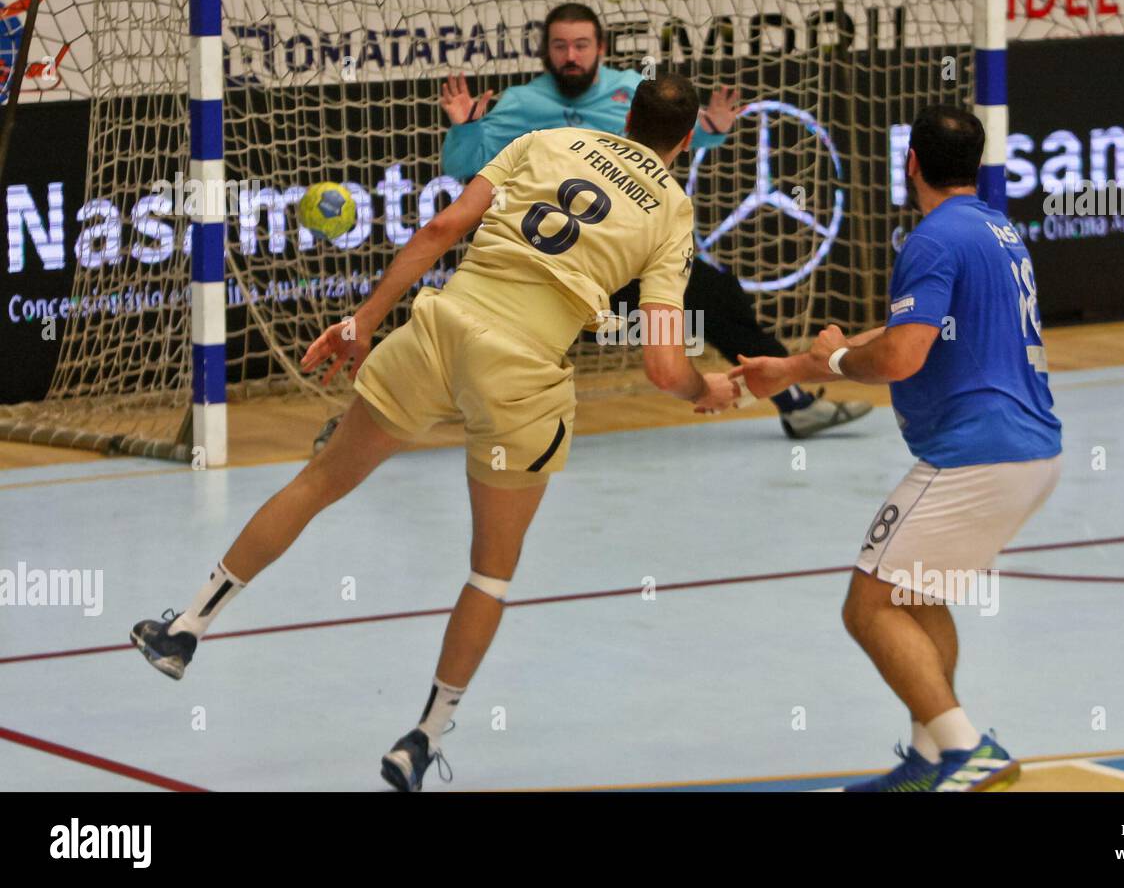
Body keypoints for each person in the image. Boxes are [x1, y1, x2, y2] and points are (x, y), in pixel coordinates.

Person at [131, 73, 741, 791]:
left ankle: (187, 629)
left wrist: (362, 320)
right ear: (688, 137)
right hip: (522, 375)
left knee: (320, 479)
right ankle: (419, 738)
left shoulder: (548, 140)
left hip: (443, 327)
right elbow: (664, 365)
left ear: (626, 114)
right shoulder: (671, 210)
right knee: (489, 570)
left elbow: (440, 229)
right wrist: (710, 388)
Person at [313, 2, 868, 448]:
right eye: (560, 46)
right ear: (546, 53)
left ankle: (793, 404)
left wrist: (716, 131)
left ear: (600, 49)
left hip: (618, 257)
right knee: (467, 329)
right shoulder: (521, 105)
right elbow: (462, 169)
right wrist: (462, 129)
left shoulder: (632, 93)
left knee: (717, 296)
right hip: (544, 260)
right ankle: (359, 425)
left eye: (581, 45)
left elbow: (676, 139)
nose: (571, 55)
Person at [734, 106, 1063, 792]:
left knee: (869, 605)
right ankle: (929, 755)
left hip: (979, 453)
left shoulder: (934, 238)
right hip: (1028, 451)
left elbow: (901, 356)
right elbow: (904, 336)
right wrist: (796, 368)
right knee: (917, 594)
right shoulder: (998, 230)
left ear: (909, 163)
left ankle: (967, 748)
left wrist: (842, 357)